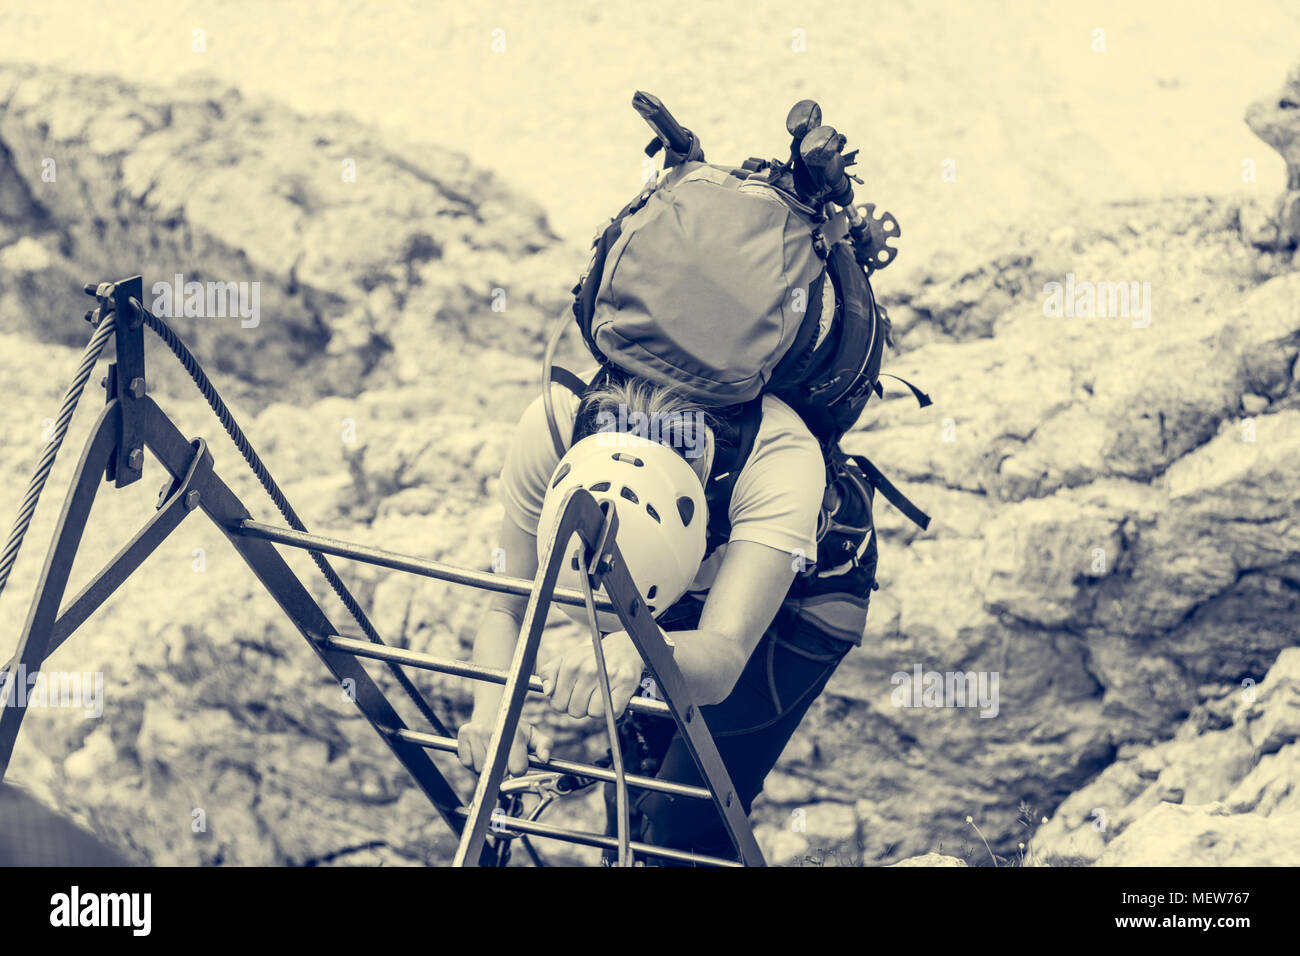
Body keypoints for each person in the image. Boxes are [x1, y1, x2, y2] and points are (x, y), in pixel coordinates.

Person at [456, 370, 859, 863]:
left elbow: (725, 657)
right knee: (630, 801)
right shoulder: (553, 425)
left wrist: (638, 647)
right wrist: (493, 713)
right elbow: (506, 605)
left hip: (805, 593)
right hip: (670, 598)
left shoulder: (779, 458)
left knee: (683, 820)